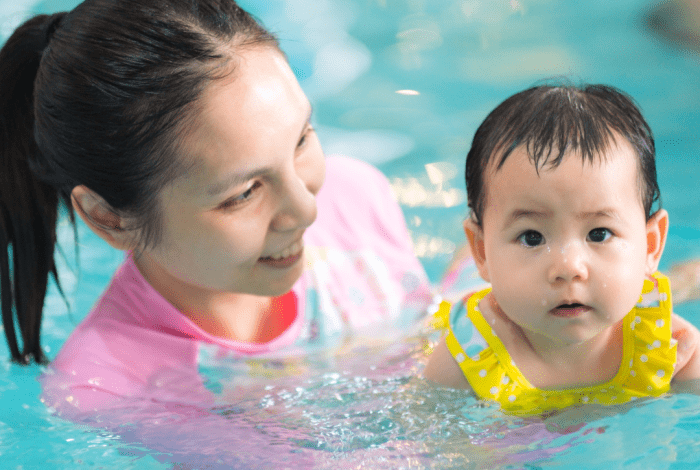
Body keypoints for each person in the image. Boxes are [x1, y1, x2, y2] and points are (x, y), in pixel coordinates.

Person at [0, 0, 432, 421]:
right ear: (109, 217)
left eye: (301, 139)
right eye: (244, 193)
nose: (305, 209)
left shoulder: (356, 197)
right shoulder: (109, 391)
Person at [423, 83, 700, 417]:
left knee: (672, 284)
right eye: (532, 237)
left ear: (651, 245)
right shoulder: (462, 362)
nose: (569, 267)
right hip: (471, 306)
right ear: (483, 251)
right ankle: (465, 258)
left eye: (599, 233)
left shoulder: (671, 351)